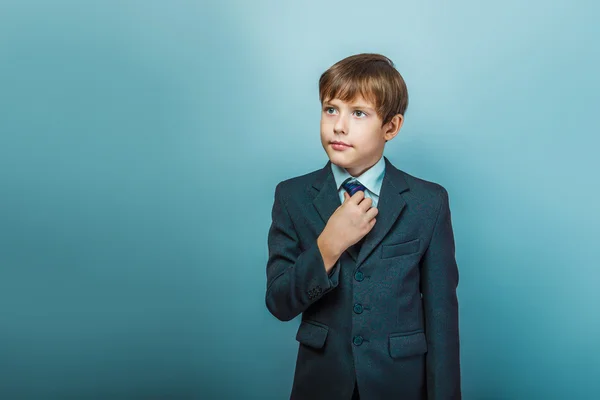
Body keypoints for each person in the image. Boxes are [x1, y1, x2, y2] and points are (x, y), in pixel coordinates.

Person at [265, 53, 461, 400]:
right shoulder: (291, 196)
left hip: (399, 384)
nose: (339, 126)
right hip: (321, 384)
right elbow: (280, 303)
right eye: (331, 109)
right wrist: (328, 246)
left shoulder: (428, 202)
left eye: (358, 113)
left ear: (391, 126)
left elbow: (441, 319)